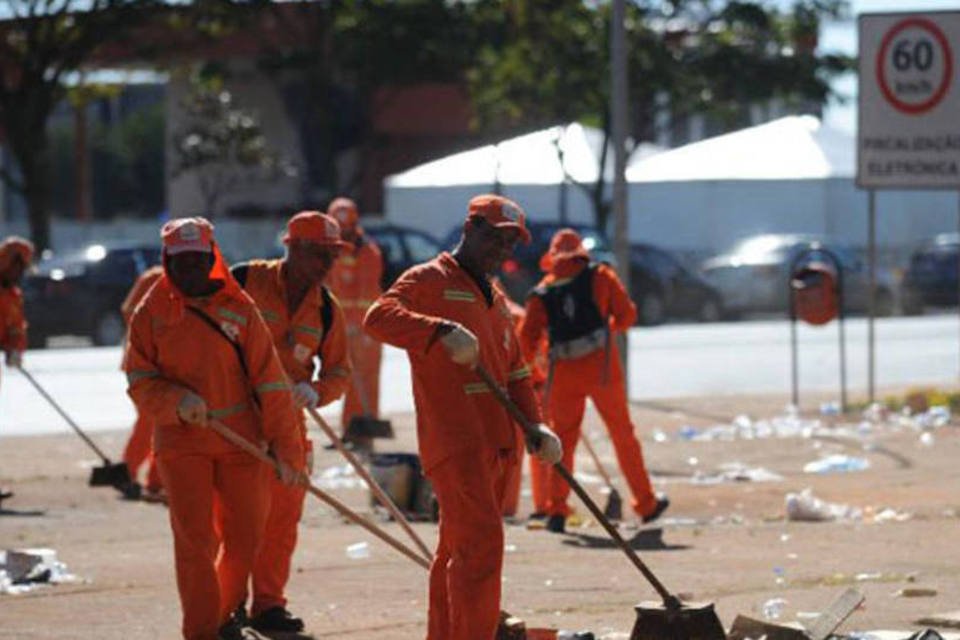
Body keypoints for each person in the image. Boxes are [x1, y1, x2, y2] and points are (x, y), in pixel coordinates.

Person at [364, 194, 562, 640]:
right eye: (495, 238)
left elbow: (515, 371)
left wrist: (537, 425)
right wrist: (437, 331)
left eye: (511, 243)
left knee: (456, 551)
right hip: (456, 443)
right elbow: (377, 317)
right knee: (483, 549)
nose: (502, 250)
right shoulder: (429, 279)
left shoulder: (494, 298)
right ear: (470, 229)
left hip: (498, 443)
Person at [123, 217, 303, 640]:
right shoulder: (152, 311)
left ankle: (222, 613)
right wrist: (175, 402)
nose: (189, 271)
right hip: (182, 441)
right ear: (167, 260)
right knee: (195, 543)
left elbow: (271, 381)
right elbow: (138, 379)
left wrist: (287, 449)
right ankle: (202, 631)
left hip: (242, 440)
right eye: (180, 261)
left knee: (244, 540)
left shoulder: (240, 308)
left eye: (197, 261)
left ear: (212, 259)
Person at [230, 211, 352, 634]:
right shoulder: (243, 280)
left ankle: (268, 605)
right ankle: (228, 606)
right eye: (319, 254)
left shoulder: (327, 310)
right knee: (234, 519)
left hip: (288, 423)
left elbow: (340, 372)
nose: (326, 264)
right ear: (293, 248)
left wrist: (317, 391)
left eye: (332, 255)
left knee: (281, 522)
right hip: (236, 417)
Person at [519, 228, 669, 533]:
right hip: (603, 370)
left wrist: (537, 370)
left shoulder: (543, 290)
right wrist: (605, 330)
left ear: (553, 257)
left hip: (562, 373)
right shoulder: (602, 276)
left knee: (563, 443)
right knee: (623, 436)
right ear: (581, 252)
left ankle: (556, 510)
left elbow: (525, 340)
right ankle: (646, 503)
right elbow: (627, 316)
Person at [325, 197, 384, 451]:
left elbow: (367, 293)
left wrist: (358, 325)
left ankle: (364, 433)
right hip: (344, 327)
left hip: (365, 329)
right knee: (347, 378)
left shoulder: (368, 252)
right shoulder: (332, 252)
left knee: (366, 379)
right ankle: (351, 431)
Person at [119, 265, 165, 501]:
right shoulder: (154, 278)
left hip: (168, 365)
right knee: (151, 421)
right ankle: (129, 472)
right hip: (145, 363)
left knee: (164, 422)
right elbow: (129, 311)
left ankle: (158, 479)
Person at [0, 236, 34, 506]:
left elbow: (15, 328)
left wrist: (14, 349)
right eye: (18, 267)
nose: (19, 274)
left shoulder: (12, 295)